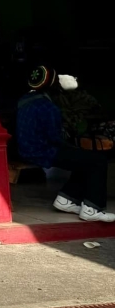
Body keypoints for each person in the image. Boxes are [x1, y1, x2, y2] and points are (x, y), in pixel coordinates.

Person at [16, 65, 113, 223]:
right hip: (41, 152)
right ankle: (93, 208)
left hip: (25, 148)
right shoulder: (49, 108)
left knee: (85, 159)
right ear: (52, 86)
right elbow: (55, 138)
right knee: (97, 160)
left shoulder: (24, 100)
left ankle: (66, 200)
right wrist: (72, 143)